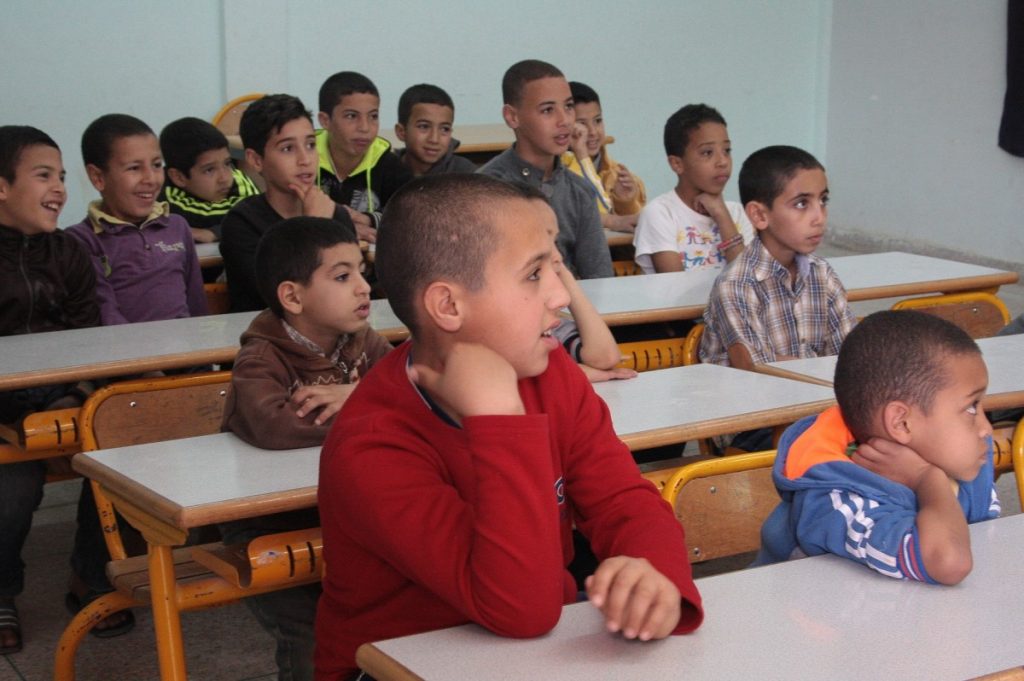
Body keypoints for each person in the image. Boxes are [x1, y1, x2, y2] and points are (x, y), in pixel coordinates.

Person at [315, 174, 703, 679]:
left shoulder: (549, 371)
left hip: (528, 650)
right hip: (394, 666)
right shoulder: (371, 446)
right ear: (448, 306)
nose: (560, 295)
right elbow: (521, 608)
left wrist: (656, 576)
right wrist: (499, 420)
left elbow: (624, 501)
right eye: (534, 274)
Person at [220, 216, 390, 680]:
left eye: (361, 271)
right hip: (267, 525)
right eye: (342, 276)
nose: (363, 287)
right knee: (310, 633)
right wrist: (370, 407)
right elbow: (274, 425)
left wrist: (360, 396)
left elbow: (409, 390)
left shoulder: (364, 342)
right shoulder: (261, 357)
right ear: (293, 297)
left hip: (345, 514)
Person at [0, 126, 131, 654]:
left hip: (63, 401)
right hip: (4, 412)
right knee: (13, 490)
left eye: (60, 176)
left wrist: (75, 394)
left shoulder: (69, 253)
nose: (59, 188)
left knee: (122, 461)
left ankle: (91, 578)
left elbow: (87, 336)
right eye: (43, 176)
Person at [756, 310, 1000, 585]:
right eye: (971, 408)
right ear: (902, 423)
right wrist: (926, 478)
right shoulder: (840, 500)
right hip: (809, 611)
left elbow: (987, 544)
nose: (986, 428)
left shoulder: (963, 462)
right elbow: (949, 562)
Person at [700, 145, 856, 370]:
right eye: (802, 204)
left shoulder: (821, 272)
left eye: (823, 200)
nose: (819, 217)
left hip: (814, 389)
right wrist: (822, 368)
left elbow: (850, 355)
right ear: (759, 215)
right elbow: (755, 367)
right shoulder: (736, 284)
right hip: (750, 393)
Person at [220, 94, 358, 313]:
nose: (305, 159)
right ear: (256, 160)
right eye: (287, 148)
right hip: (267, 330)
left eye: (310, 145)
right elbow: (282, 298)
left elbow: (351, 288)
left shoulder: (336, 214)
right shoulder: (242, 223)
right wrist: (315, 226)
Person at [67, 114, 207, 325]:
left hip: (187, 344)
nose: (151, 179)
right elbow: (107, 316)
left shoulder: (176, 226)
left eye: (157, 165)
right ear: (98, 177)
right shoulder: (82, 240)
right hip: (126, 345)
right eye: (134, 168)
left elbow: (197, 304)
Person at [479, 59, 613, 280]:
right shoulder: (485, 190)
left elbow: (600, 280)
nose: (565, 120)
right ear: (512, 117)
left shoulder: (579, 191)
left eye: (568, 107)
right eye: (548, 110)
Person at [633, 104, 753, 274]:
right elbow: (674, 284)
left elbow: (747, 280)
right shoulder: (660, 213)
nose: (723, 161)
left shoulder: (738, 213)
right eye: (707, 153)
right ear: (677, 164)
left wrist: (722, 216)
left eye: (727, 150)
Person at [315, 71, 412, 243]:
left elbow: (410, 216)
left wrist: (369, 219)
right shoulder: (305, 161)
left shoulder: (391, 166)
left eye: (373, 116)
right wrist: (345, 227)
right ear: (325, 120)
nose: (365, 127)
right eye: (351, 116)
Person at [158, 116, 260, 244]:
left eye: (227, 163)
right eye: (209, 170)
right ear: (178, 177)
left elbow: (255, 217)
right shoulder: (159, 190)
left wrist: (214, 232)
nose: (224, 178)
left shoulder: (240, 182)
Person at [561, 81, 646, 233]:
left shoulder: (617, 173)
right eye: (581, 124)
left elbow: (637, 228)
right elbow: (593, 210)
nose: (593, 131)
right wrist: (581, 155)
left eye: (598, 121)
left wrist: (626, 201)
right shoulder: (556, 171)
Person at [393, 83, 477, 176]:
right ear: (401, 132)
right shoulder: (386, 171)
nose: (434, 139)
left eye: (445, 129)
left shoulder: (465, 173)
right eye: (424, 126)